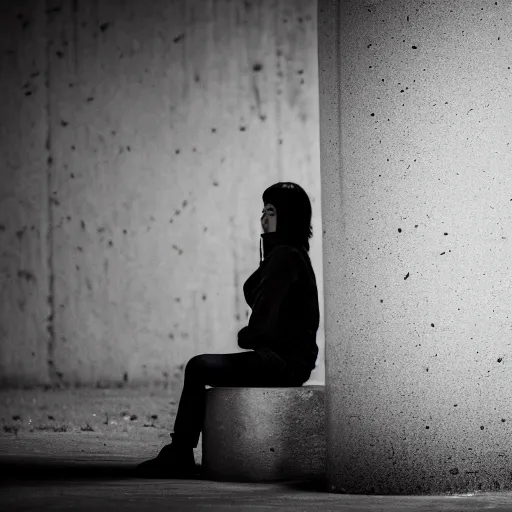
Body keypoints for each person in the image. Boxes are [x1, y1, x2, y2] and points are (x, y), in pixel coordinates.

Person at [135, 182, 320, 478]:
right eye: (262, 211)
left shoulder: (285, 257)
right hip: (289, 360)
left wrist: (249, 336)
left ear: (287, 215)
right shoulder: (288, 254)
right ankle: (179, 452)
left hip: (281, 363)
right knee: (202, 366)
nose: (263, 218)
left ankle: (180, 452)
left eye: (270, 211)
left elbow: (264, 318)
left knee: (198, 367)